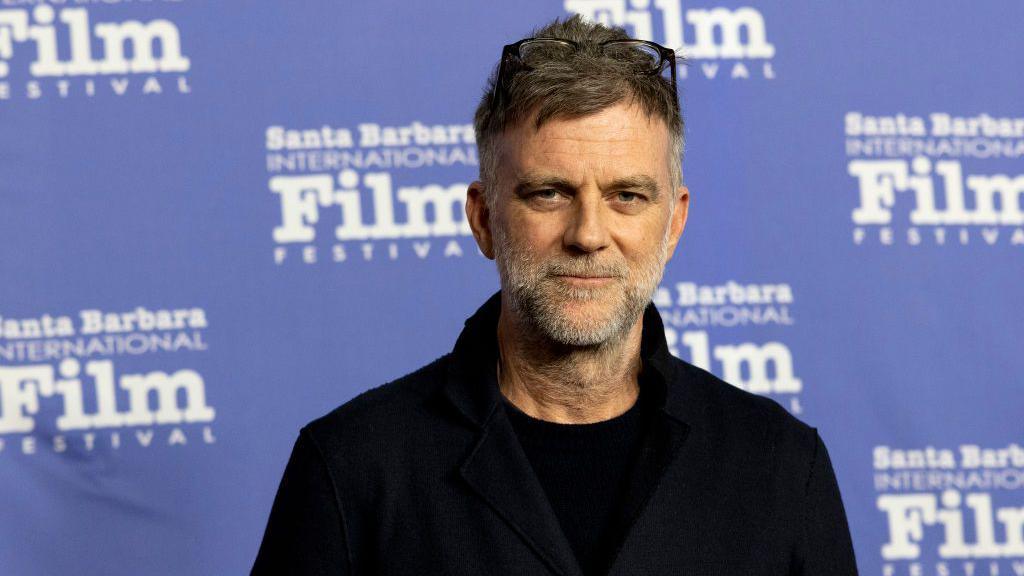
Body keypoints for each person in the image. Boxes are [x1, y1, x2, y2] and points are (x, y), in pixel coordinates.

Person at [253, 15, 859, 576]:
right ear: (485, 218)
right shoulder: (352, 469)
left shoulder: (779, 467)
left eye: (627, 195)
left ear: (673, 224)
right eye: (548, 193)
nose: (588, 235)